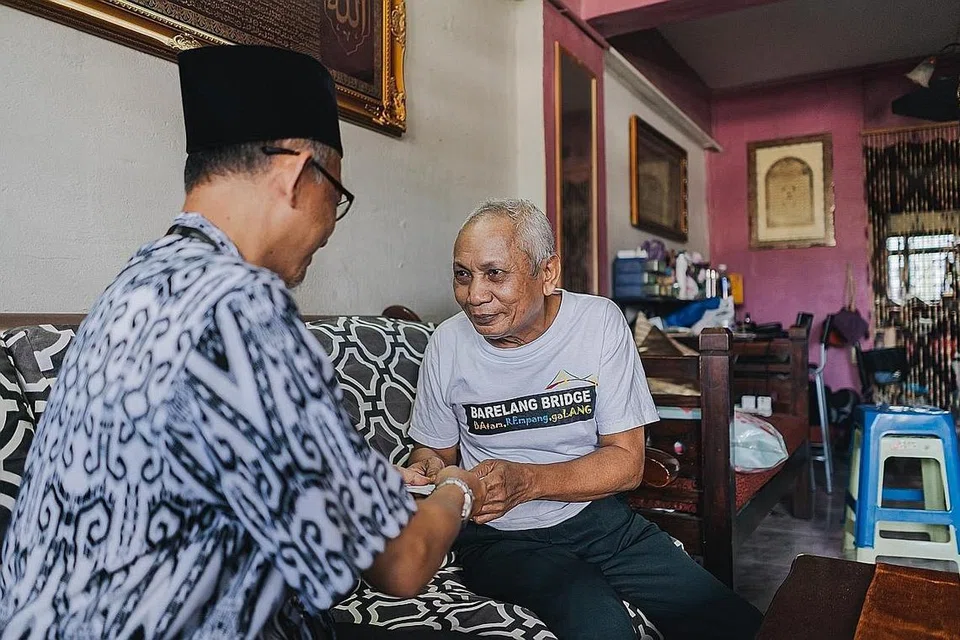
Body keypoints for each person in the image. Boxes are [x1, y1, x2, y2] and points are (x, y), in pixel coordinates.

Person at [0, 45, 484, 640]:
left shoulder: (138, 279)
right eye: (338, 195)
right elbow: (402, 564)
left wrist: (368, 484)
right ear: (297, 174)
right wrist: (462, 489)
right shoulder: (241, 307)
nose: (331, 224)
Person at [405, 199, 763, 640]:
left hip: (597, 520)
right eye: (463, 275)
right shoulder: (447, 343)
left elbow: (627, 464)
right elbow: (435, 454)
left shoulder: (598, 323)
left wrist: (528, 482)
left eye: (495, 274)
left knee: (734, 623)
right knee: (597, 619)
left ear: (548, 272)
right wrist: (428, 471)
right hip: (496, 536)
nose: (474, 296)